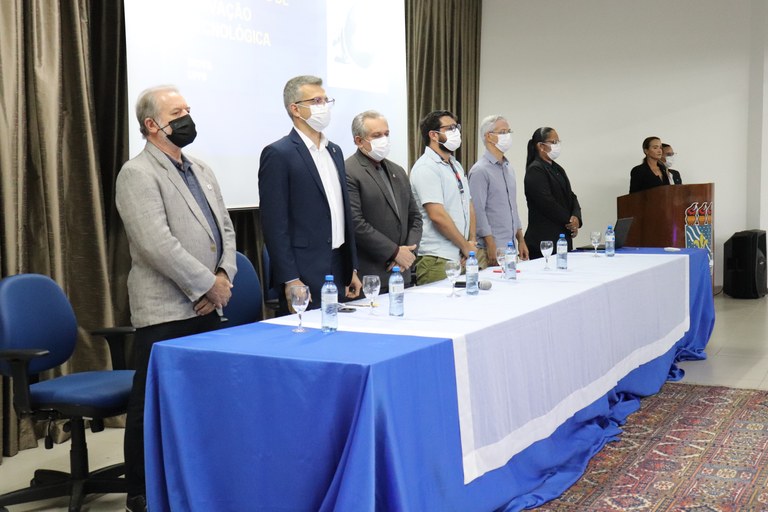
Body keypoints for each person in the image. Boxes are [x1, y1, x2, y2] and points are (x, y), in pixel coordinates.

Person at [116, 85, 237, 512]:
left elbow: (225, 229)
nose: (187, 118)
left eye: (188, 109)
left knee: (203, 401)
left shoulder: (201, 168)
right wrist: (206, 285)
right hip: (166, 309)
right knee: (150, 405)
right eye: (176, 113)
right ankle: (141, 490)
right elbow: (155, 243)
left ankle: (196, 478)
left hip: (207, 304)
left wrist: (223, 276)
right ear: (152, 125)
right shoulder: (137, 173)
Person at [259, 75, 361, 313]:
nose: (323, 106)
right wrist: (291, 278)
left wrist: (352, 268)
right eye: (316, 101)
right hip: (304, 270)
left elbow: (342, 212)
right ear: (295, 109)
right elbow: (274, 224)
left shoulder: (334, 150)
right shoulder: (279, 153)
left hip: (339, 266)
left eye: (325, 100)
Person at [345, 110, 422, 291]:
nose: (384, 139)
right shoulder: (348, 170)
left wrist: (408, 253)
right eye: (376, 135)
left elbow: (415, 217)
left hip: (403, 272)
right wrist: (395, 252)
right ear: (359, 141)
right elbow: (355, 223)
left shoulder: (398, 170)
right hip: (371, 276)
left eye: (386, 134)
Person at [409, 110, 476, 285]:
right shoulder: (426, 167)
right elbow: (437, 215)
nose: (456, 132)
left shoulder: (455, 164)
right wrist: (465, 246)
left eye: (456, 127)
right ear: (433, 135)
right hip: (437, 258)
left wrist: (471, 242)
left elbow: (468, 204)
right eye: (450, 128)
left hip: (461, 254)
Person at [468, 115, 529, 268]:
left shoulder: (508, 168)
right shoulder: (480, 170)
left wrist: (521, 240)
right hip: (490, 248)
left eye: (508, 131)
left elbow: (513, 208)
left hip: (510, 247)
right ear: (489, 136)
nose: (507, 136)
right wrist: (491, 244)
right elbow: (478, 211)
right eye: (502, 132)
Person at [523, 127, 582, 259]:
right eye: (553, 142)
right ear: (541, 146)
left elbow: (571, 196)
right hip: (544, 240)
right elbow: (546, 202)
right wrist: (569, 221)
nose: (557, 145)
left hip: (562, 237)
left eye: (558, 142)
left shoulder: (558, 169)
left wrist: (576, 217)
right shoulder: (535, 170)